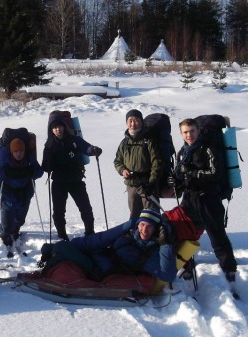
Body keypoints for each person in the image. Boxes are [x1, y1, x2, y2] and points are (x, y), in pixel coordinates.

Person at [171, 118, 238, 282]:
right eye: (185, 132)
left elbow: (216, 173)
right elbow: (179, 174)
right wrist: (175, 180)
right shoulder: (182, 152)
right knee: (185, 232)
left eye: (192, 131)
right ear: (181, 133)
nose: (189, 135)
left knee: (216, 234)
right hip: (189, 199)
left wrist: (192, 173)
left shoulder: (208, 148)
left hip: (209, 198)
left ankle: (229, 268)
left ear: (198, 131)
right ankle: (186, 264)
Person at [69, 209, 177, 282]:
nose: (144, 230)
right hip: (97, 255)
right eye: (142, 224)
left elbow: (168, 275)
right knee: (66, 248)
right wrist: (125, 226)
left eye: (149, 226)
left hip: (101, 270)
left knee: (62, 252)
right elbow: (101, 239)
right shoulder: (129, 233)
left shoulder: (153, 250)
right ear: (137, 224)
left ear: (155, 229)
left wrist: (165, 243)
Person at [42, 113, 102, 239]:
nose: (58, 129)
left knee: (85, 207)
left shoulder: (74, 139)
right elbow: (45, 165)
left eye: (59, 126)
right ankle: (62, 234)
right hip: (59, 182)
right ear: (51, 129)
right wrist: (48, 165)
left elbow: (86, 147)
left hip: (75, 179)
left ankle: (90, 232)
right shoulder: (49, 145)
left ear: (64, 126)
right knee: (58, 211)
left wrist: (93, 150)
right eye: (54, 127)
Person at [0, 137, 44, 247]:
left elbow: (39, 172)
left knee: (19, 221)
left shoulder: (29, 160)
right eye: (16, 151)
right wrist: (2, 170)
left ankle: (14, 231)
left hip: (24, 197)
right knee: (7, 227)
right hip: (8, 198)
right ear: (11, 152)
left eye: (21, 151)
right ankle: (5, 231)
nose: (19, 154)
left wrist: (32, 171)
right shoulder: (5, 161)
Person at [114, 109, 163, 221]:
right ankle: (136, 236)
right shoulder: (124, 142)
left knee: (151, 215)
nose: (133, 124)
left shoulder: (149, 140)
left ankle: (155, 237)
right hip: (132, 184)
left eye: (136, 120)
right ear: (126, 123)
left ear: (141, 122)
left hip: (147, 184)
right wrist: (122, 170)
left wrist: (151, 182)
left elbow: (157, 163)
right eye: (130, 121)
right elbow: (117, 161)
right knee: (134, 215)